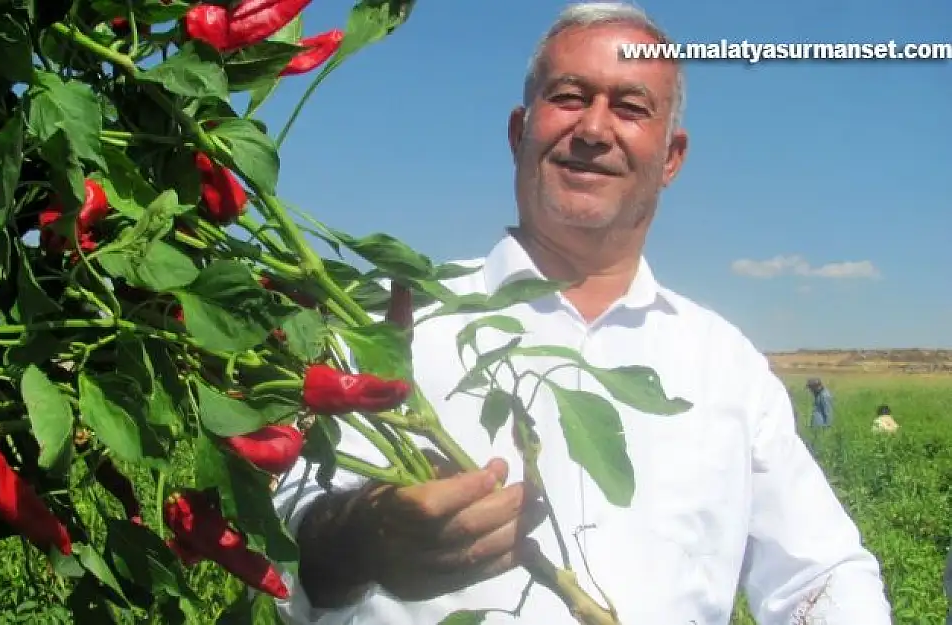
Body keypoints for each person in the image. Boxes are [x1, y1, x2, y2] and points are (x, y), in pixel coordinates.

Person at [272, 3, 891, 623]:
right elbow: (285, 534)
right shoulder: (390, 317)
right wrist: (364, 535)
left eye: (630, 107)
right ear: (519, 132)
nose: (594, 129)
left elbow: (822, 570)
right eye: (569, 97)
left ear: (672, 157)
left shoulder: (726, 365)